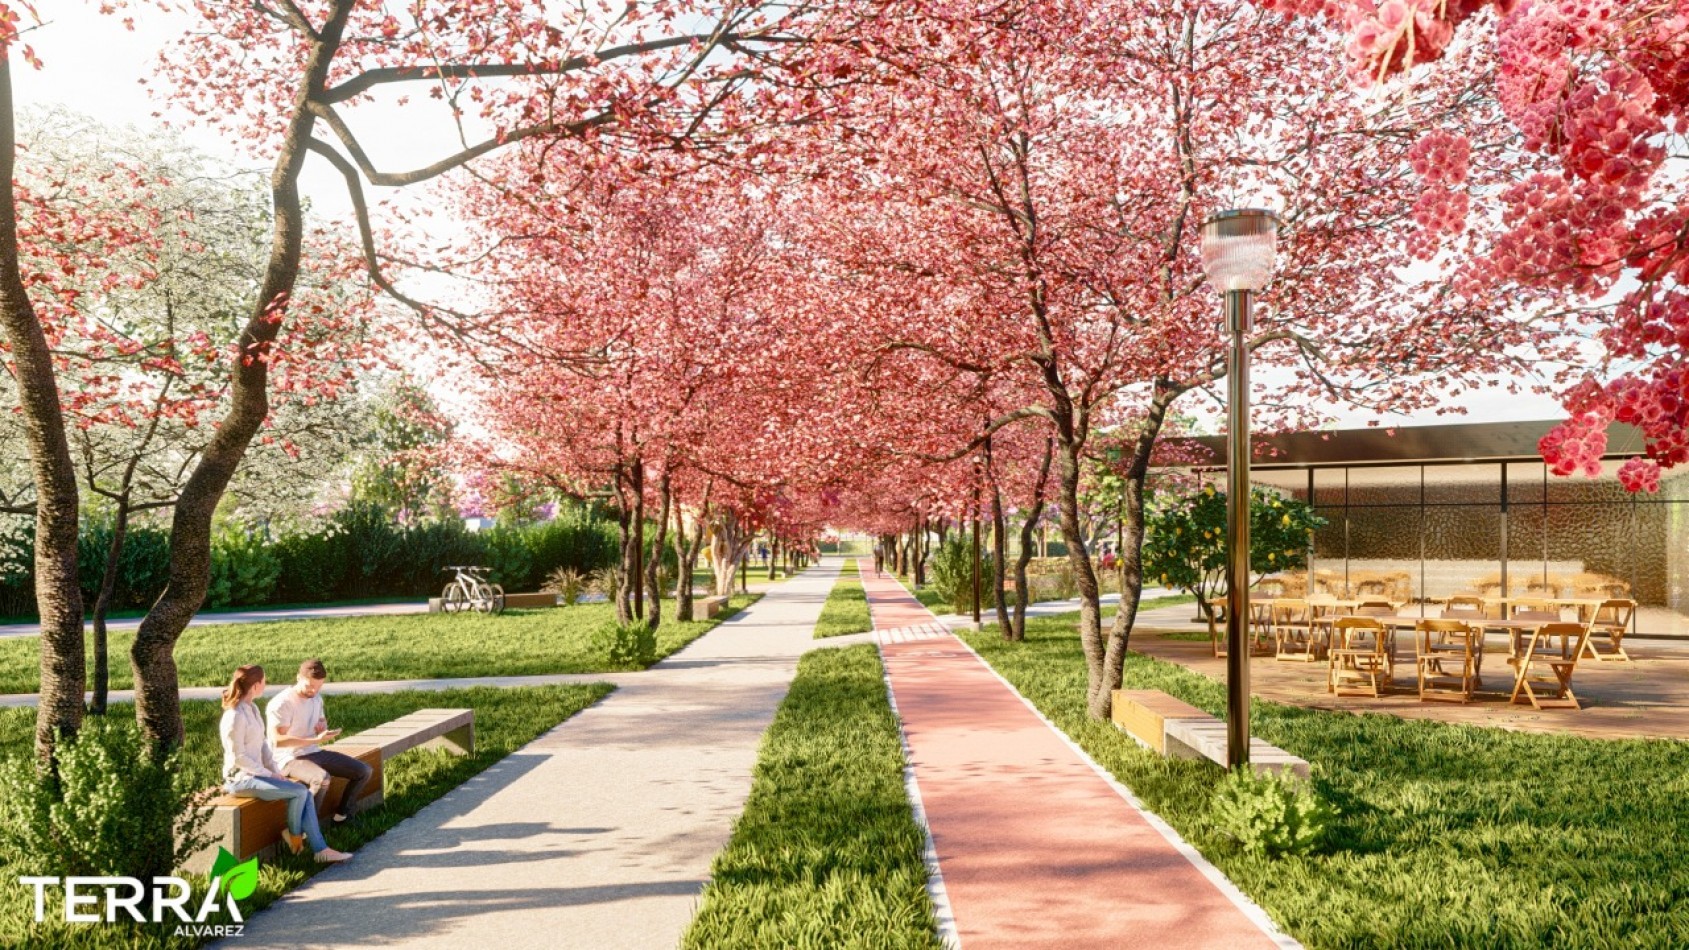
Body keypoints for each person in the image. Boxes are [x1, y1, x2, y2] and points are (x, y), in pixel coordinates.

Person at [219, 665, 352, 864]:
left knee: (303, 792)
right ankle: (299, 840)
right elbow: (238, 757)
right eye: (264, 681)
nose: (266, 684)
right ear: (256, 685)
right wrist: (268, 774)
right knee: (300, 791)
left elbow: (264, 746)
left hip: (257, 775)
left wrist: (274, 770)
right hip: (239, 779)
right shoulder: (235, 715)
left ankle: (317, 849)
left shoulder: (252, 708)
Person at [268, 658, 373, 824]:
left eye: (318, 686)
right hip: (289, 758)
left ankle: (342, 816)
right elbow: (278, 741)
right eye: (309, 685)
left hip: (313, 752)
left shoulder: (317, 698)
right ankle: (305, 829)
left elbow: (321, 721)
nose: (313, 690)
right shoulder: (282, 703)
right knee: (322, 778)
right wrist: (314, 739)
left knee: (364, 771)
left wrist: (322, 728)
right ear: (298, 678)